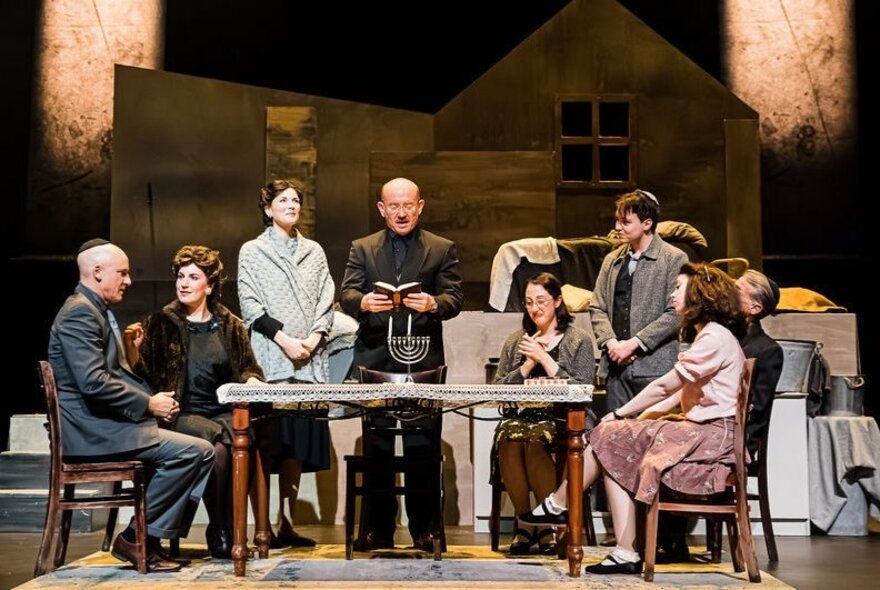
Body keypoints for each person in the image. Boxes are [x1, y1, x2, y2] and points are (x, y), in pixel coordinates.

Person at [521, 263, 746, 575]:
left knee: (609, 435)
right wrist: (638, 418)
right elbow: (678, 395)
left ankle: (562, 505)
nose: (672, 295)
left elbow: (665, 386)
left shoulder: (714, 338)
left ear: (699, 294)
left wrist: (621, 413)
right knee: (612, 442)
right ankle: (619, 547)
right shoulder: (709, 336)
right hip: (702, 431)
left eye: (678, 288)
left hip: (710, 438)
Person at [48, 239, 214, 573]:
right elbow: (93, 382)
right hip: (93, 431)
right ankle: (138, 538)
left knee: (200, 445)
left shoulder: (94, 309)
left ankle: (147, 538)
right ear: (98, 272)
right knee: (195, 452)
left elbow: (112, 375)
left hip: (104, 425)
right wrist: (149, 404)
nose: (128, 280)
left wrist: (151, 395)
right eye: (122, 273)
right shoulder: (80, 312)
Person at [340, 177, 464, 551]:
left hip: (421, 359)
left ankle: (425, 529)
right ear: (382, 209)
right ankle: (377, 529)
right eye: (394, 206)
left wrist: (433, 304)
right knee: (376, 445)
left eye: (408, 205)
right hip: (375, 358)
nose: (401, 212)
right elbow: (347, 294)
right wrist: (363, 303)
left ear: (420, 206)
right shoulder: (362, 248)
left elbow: (455, 298)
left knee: (421, 445)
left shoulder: (441, 248)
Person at [124, 245, 265, 559]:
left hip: (222, 412)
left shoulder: (230, 325)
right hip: (181, 413)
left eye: (193, 277)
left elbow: (248, 368)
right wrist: (134, 351)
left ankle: (228, 528)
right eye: (181, 276)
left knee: (238, 438)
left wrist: (252, 379)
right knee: (219, 447)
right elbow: (145, 380)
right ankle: (222, 528)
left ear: (210, 285)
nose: (184, 283)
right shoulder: (162, 323)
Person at [653, 267, 785, 563]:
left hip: (734, 437)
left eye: (737, 290)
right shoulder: (716, 334)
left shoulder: (766, 350)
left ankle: (667, 541)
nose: (727, 292)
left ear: (755, 308)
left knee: (672, 449)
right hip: (708, 424)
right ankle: (658, 539)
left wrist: (728, 441)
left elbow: (755, 410)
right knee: (663, 437)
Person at [238, 179, 335, 548]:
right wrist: (284, 340)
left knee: (296, 443)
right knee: (267, 441)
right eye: (283, 200)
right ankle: (262, 523)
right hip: (271, 356)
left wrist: (315, 337)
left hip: (309, 359)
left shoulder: (314, 251)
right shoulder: (253, 251)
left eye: (296, 200)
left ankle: (287, 522)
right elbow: (250, 304)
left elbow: (326, 295)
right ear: (268, 208)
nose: (292, 205)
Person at [492, 273, 594, 555]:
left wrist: (546, 360)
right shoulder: (517, 341)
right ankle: (525, 524)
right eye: (528, 303)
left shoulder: (579, 339)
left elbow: (584, 388)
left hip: (562, 419)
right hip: (522, 415)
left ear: (557, 301)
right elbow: (498, 389)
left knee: (536, 439)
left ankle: (547, 523)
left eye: (541, 301)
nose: (534, 309)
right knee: (509, 437)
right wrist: (526, 365)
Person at [590, 190, 688, 413]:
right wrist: (612, 343)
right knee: (617, 431)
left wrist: (634, 343)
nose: (617, 227)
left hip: (655, 369)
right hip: (616, 368)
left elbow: (675, 313)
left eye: (625, 222)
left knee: (655, 431)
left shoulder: (673, 258)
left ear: (647, 223)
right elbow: (597, 306)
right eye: (617, 220)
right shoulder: (612, 260)